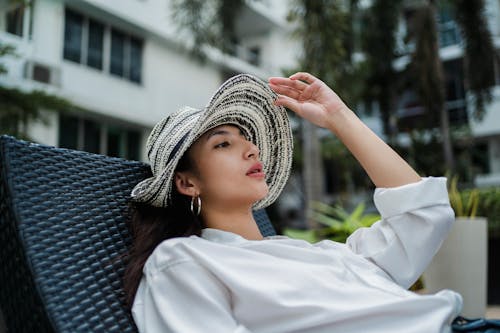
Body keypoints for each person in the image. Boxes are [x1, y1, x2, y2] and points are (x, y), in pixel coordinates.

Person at [124, 72, 470, 332]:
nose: (251, 148)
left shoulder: (318, 255)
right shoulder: (184, 261)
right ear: (187, 182)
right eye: (223, 144)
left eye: (246, 138)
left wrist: (339, 118)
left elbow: (423, 216)